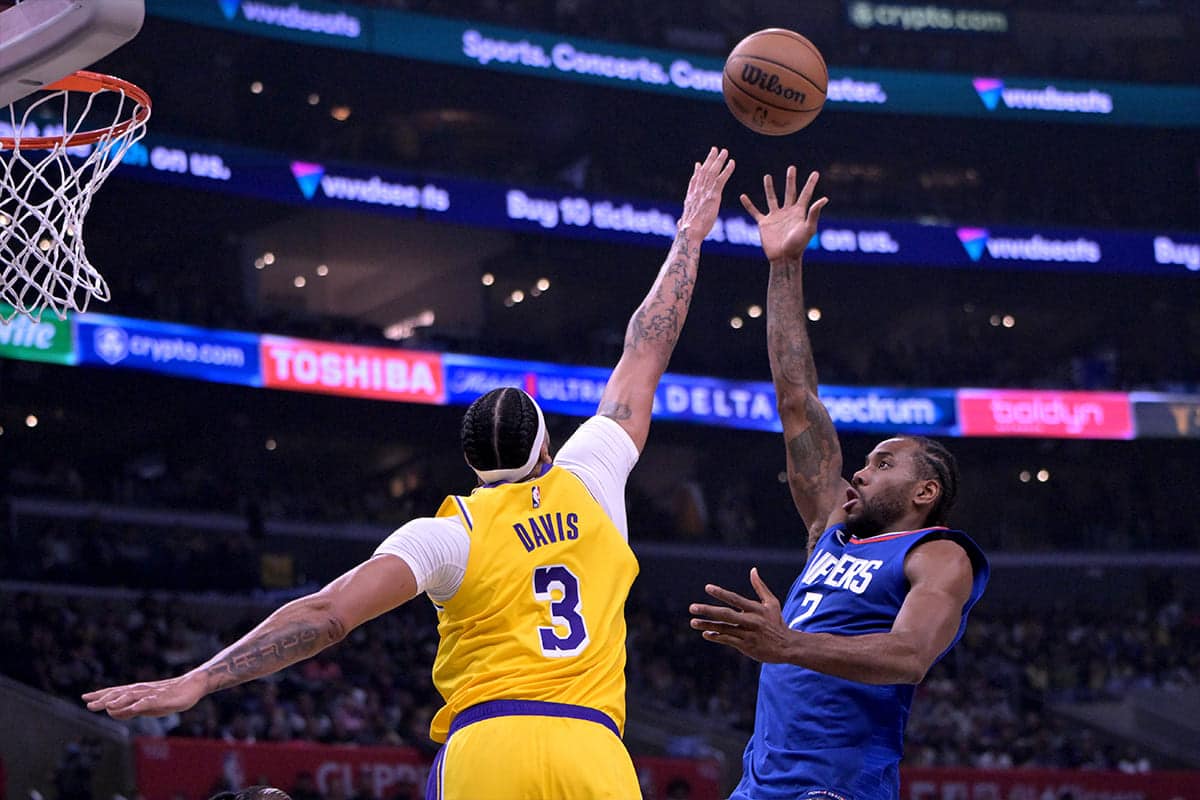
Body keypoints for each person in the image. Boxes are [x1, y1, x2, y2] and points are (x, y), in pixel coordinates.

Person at [83, 147, 737, 800]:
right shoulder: (591, 471)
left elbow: (329, 615)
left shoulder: (449, 533)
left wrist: (202, 678)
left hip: (490, 747)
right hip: (594, 751)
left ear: (475, 465)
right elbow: (645, 348)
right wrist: (688, 237)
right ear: (547, 448)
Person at [689, 166, 989, 800]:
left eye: (883, 463)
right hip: (759, 784)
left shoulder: (939, 554)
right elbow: (798, 400)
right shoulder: (831, 530)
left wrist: (787, 643)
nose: (859, 469)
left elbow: (909, 656)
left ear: (924, 493)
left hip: (838, 786)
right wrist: (784, 264)